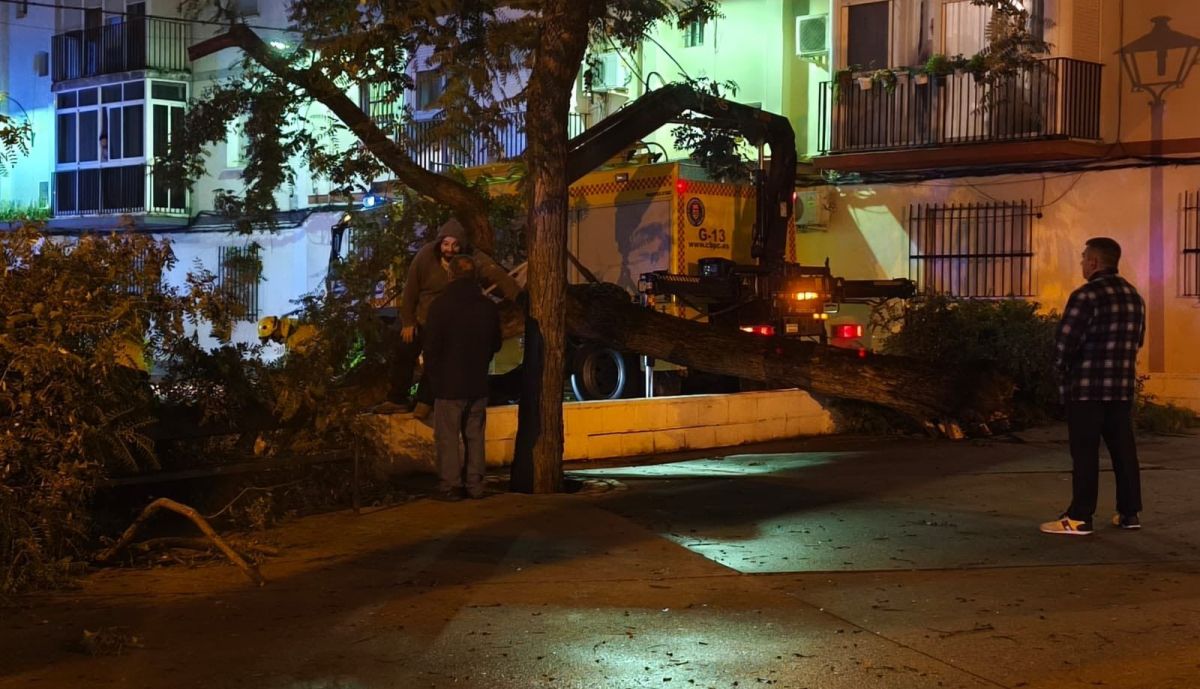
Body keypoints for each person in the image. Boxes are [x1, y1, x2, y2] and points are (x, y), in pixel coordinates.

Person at [1041, 237, 1146, 535]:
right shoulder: (1134, 296)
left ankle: (1079, 517)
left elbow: (1065, 343)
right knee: (1124, 450)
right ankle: (1129, 513)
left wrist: (1060, 373)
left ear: (1095, 262)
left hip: (1086, 389)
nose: (1082, 263)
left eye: (1084, 257)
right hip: (1121, 388)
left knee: (1085, 452)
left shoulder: (1086, 296)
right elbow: (1138, 341)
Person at [392, 218, 520, 417]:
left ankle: (424, 402)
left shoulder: (472, 260)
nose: (449, 249)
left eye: (454, 245)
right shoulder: (425, 256)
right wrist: (408, 321)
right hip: (422, 317)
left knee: (436, 359)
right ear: (439, 243)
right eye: (445, 244)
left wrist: (519, 297)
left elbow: (497, 276)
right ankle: (396, 398)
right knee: (404, 349)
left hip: (448, 322)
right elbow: (410, 291)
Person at [423, 254, 502, 501]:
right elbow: (496, 343)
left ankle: (451, 485)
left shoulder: (440, 306)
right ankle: (475, 485)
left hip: (448, 384)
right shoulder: (487, 306)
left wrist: (434, 379)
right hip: (477, 382)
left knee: (447, 437)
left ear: (451, 274)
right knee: (475, 436)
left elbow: (431, 347)